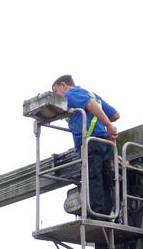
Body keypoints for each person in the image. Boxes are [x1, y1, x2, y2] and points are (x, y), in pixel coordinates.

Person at [51, 75, 120, 218]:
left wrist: (108, 125)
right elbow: (115, 114)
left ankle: (97, 215)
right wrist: (105, 123)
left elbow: (90, 105)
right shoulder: (90, 94)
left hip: (91, 142)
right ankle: (107, 215)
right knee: (104, 179)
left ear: (63, 85)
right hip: (103, 142)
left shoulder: (71, 94)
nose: (57, 97)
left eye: (56, 92)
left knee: (93, 178)